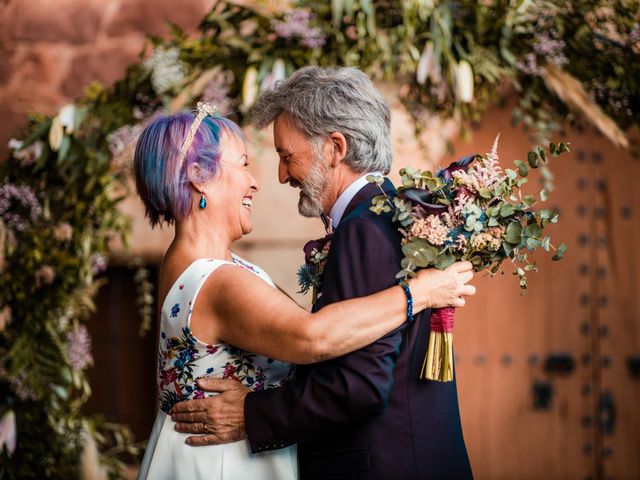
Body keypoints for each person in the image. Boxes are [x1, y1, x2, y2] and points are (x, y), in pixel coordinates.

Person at [135, 101, 476, 479]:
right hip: (219, 463)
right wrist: (421, 293)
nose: (257, 180)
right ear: (199, 174)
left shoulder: (217, 266)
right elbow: (312, 337)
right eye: (243, 163)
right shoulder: (214, 280)